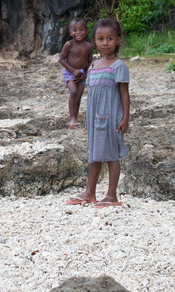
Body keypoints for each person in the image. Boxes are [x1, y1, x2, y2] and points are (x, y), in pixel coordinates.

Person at [66, 18, 130, 208]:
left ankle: (111, 196)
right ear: (94, 41)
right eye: (101, 39)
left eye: (110, 38)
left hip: (112, 118)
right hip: (94, 118)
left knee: (112, 155)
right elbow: (91, 95)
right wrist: (87, 119)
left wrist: (125, 118)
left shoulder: (119, 66)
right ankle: (90, 193)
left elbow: (124, 94)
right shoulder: (93, 65)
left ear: (118, 40)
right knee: (94, 154)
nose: (105, 43)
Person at [58, 18, 93, 128]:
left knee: (78, 97)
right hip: (69, 73)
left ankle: (75, 119)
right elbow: (61, 59)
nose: (78, 32)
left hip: (82, 75)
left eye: (81, 29)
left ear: (86, 31)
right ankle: (72, 118)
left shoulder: (89, 46)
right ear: (70, 32)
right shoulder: (69, 44)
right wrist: (73, 70)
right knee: (73, 91)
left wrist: (86, 75)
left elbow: (90, 61)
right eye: (75, 30)